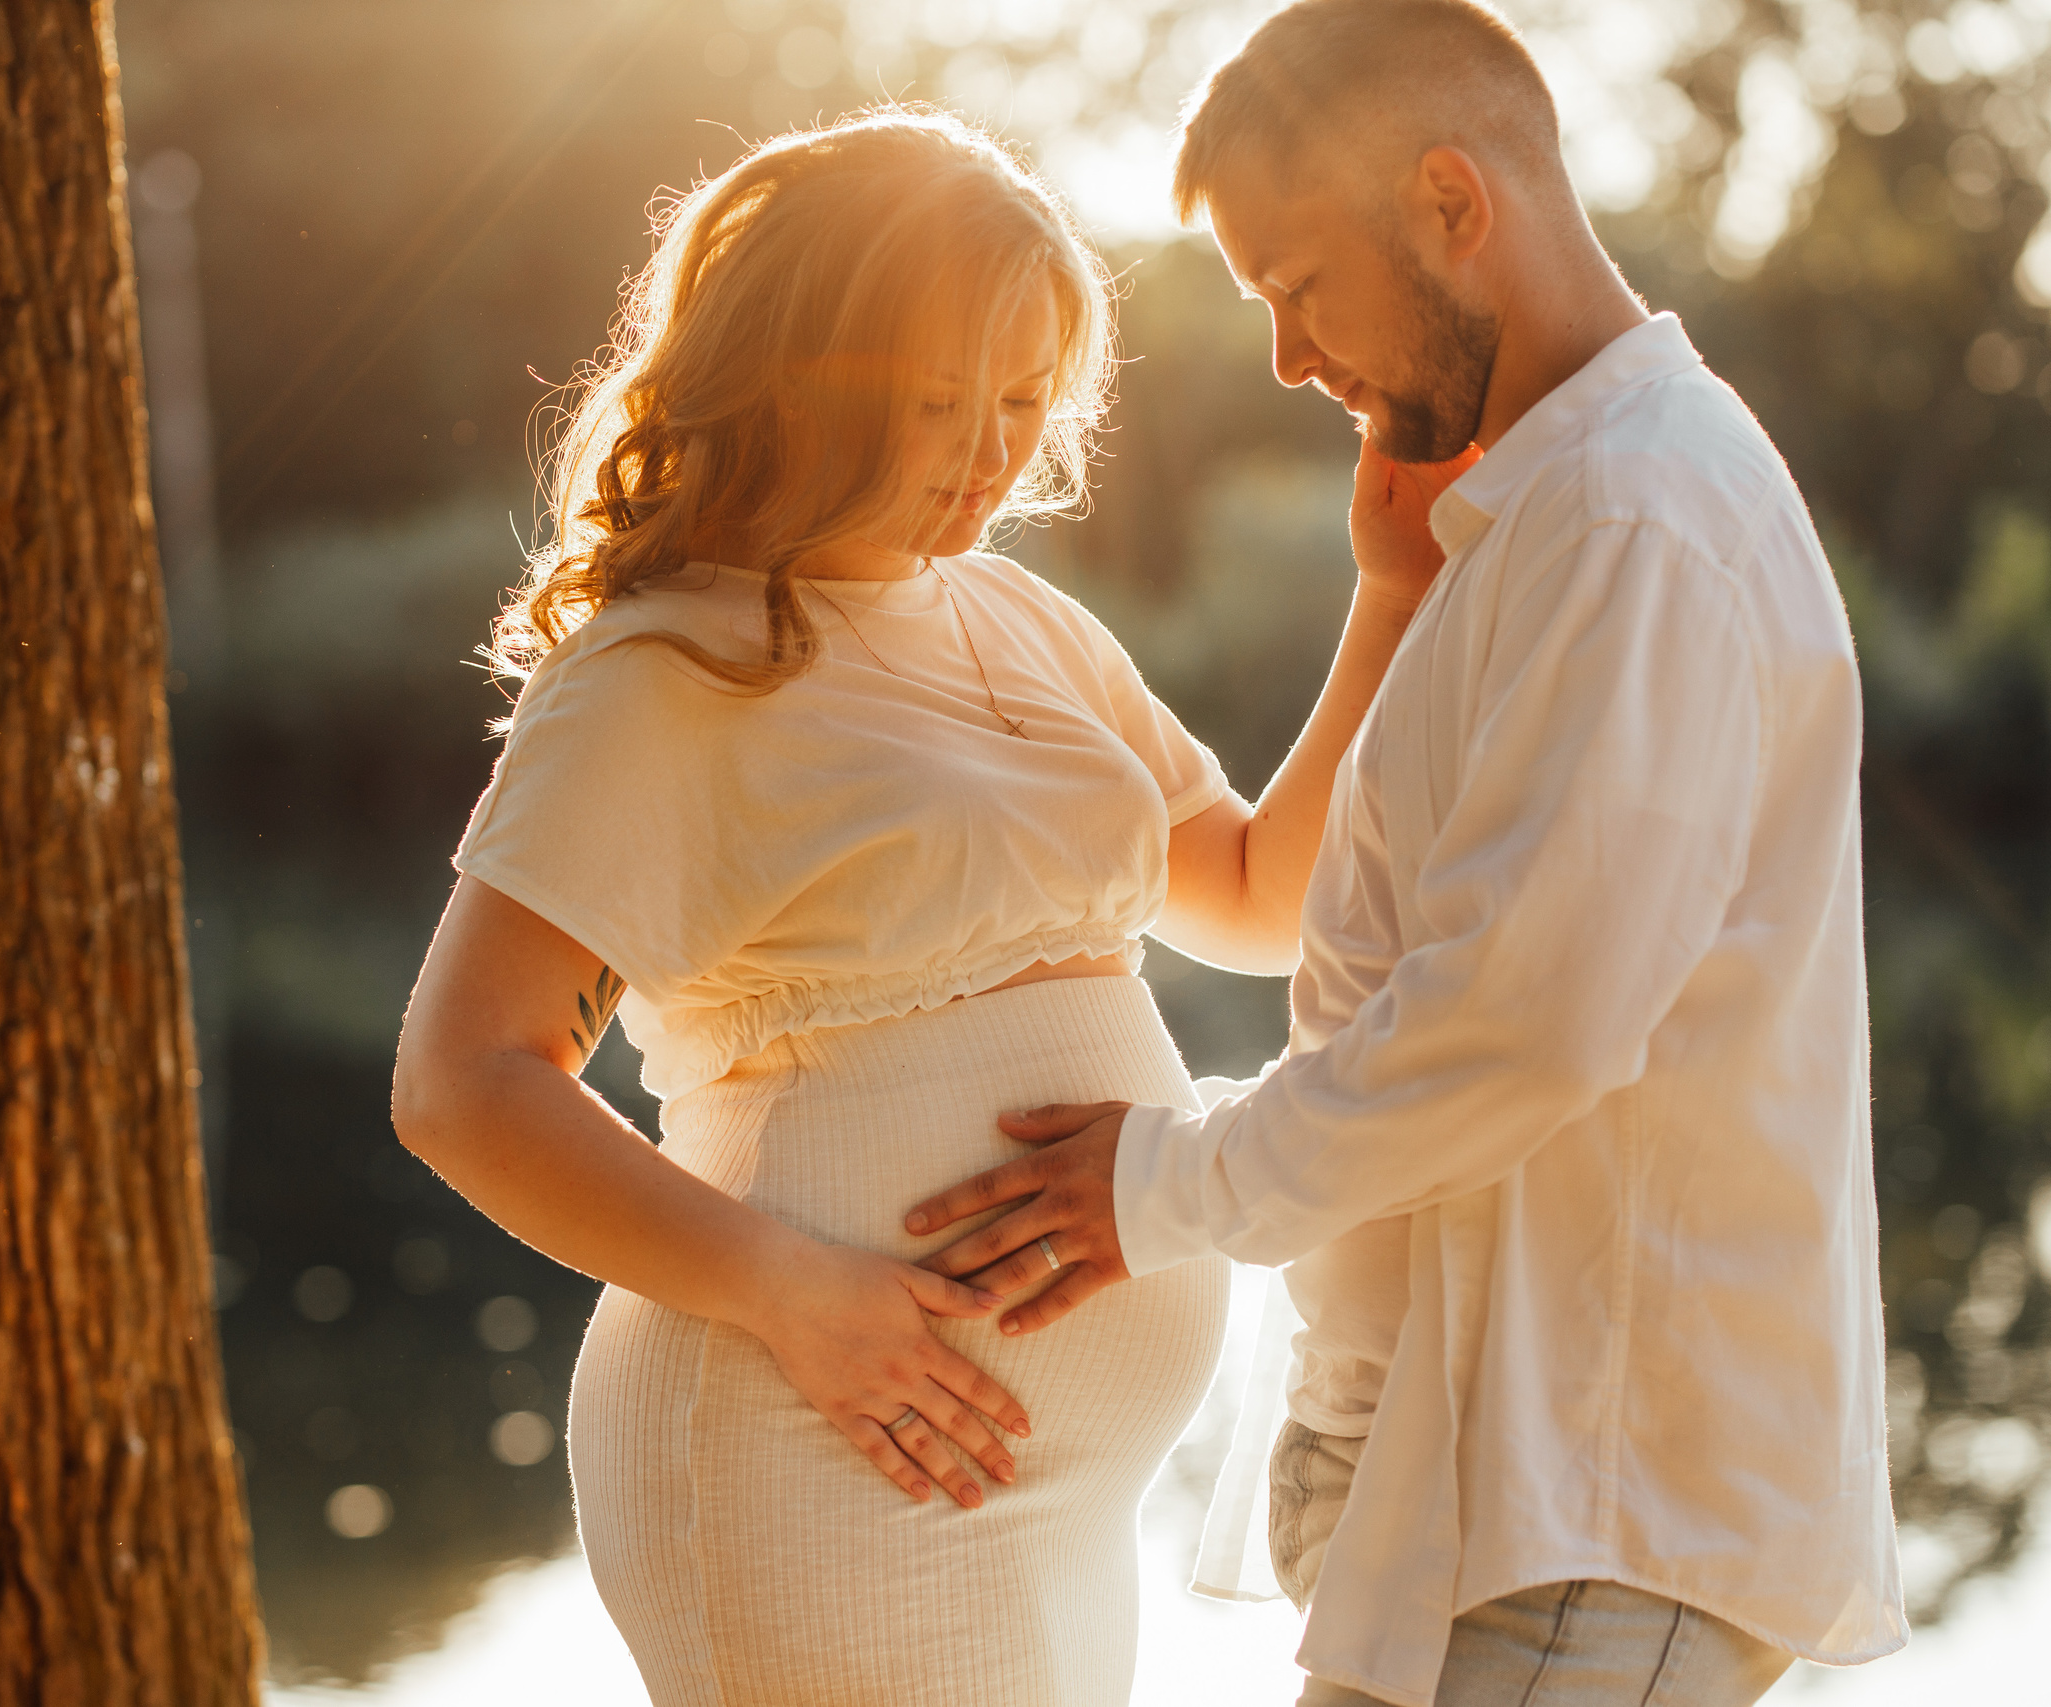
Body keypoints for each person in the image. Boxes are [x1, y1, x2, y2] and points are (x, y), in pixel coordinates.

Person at [391, 109, 1461, 1707]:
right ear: (797, 373)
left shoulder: (1026, 620)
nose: (991, 453)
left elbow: (1248, 894)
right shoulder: (671, 661)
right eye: (939, 403)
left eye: (1026, 402)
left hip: (1057, 1496)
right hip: (815, 1434)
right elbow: (461, 1083)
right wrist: (791, 1295)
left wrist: (1387, 601)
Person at [904, 5, 1908, 1704]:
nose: (1291, 359)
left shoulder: (1633, 523)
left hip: (1590, 1513)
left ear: (1454, 205)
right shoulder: (1549, 519)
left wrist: (1155, 1185)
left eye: (1299, 285)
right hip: (1495, 1513)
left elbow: (1522, 1024)